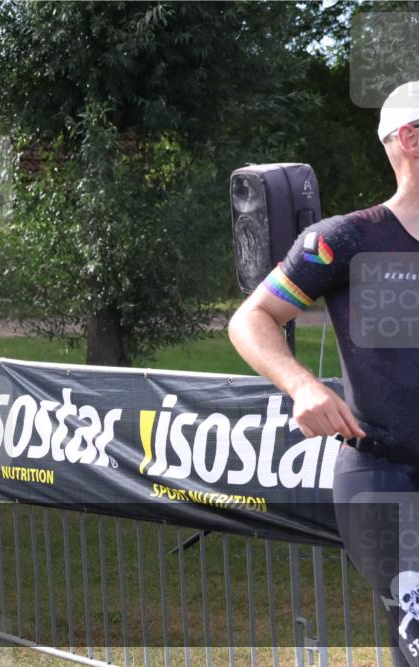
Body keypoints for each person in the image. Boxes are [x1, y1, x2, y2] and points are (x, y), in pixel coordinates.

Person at [229, 81, 419, 664]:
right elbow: (252, 318)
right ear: (411, 139)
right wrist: (303, 385)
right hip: (386, 479)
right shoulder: (347, 239)